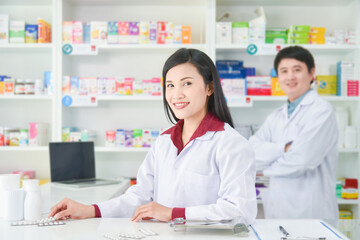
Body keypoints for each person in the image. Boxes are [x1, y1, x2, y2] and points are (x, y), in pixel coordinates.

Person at [49, 48, 257, 224]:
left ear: (209, 87)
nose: (177, 94)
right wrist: (90, 210)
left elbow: (240, 211)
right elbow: (140, 196)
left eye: (187, 83)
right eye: (170, 85)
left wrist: (173, 213)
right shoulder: (164, 142)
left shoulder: (230, 144)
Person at [249, 46, 338, 220]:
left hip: (311, 212)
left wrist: (262, 172)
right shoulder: (276, 116)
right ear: (278, 76)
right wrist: (285, 148)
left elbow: (301, 160)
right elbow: (251, 152)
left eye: (297, 70)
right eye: (284, 71)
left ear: (312, 73)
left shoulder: (321, 111)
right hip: (276, 210)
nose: (290, 76)